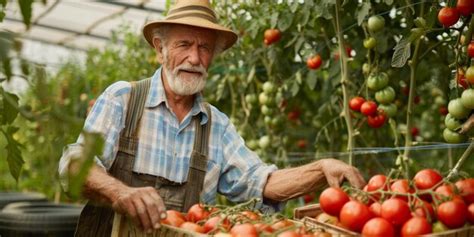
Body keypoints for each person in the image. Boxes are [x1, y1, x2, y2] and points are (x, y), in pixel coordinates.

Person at [58, 0, 366, 236]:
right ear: (160, 49)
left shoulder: (215, 126)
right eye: (184, 44)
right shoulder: (123, 100)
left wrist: (320, 167)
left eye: (204, 47)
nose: (195, 58)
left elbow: (261, 183)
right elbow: (75, 165)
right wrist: (120, 192)